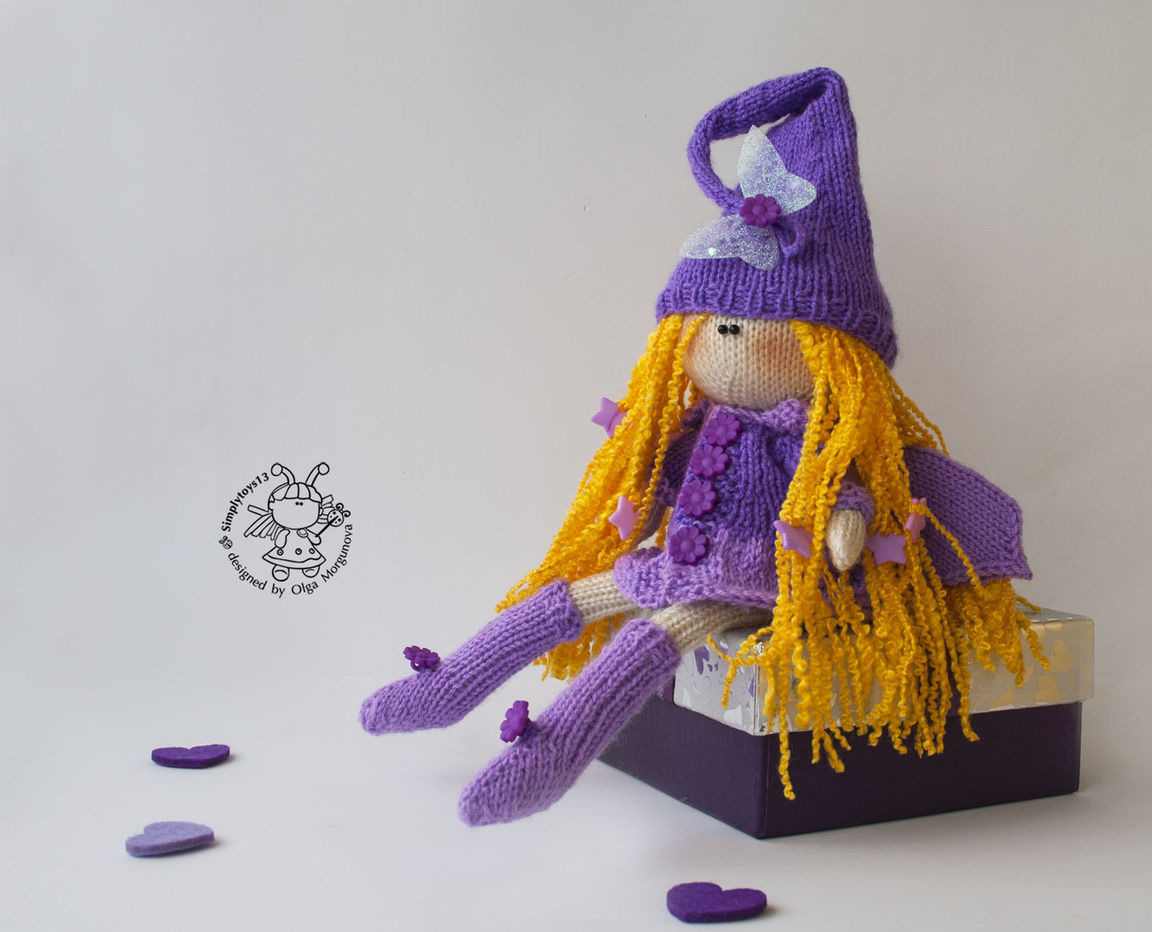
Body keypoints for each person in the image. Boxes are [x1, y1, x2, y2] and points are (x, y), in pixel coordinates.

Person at [361, 68, 1041, 825]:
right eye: (711, 326)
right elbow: (661, 481)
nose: (728, 344)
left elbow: (842, 495)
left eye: (759, 330)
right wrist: (641, 500)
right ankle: (449, 684)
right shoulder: (692, 430)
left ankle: (553, 755)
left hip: (755, 581)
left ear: (834, 358)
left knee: (651, 638)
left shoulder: (809, 448)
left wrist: (846, 523)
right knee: (568, 597)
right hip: (676, 560)